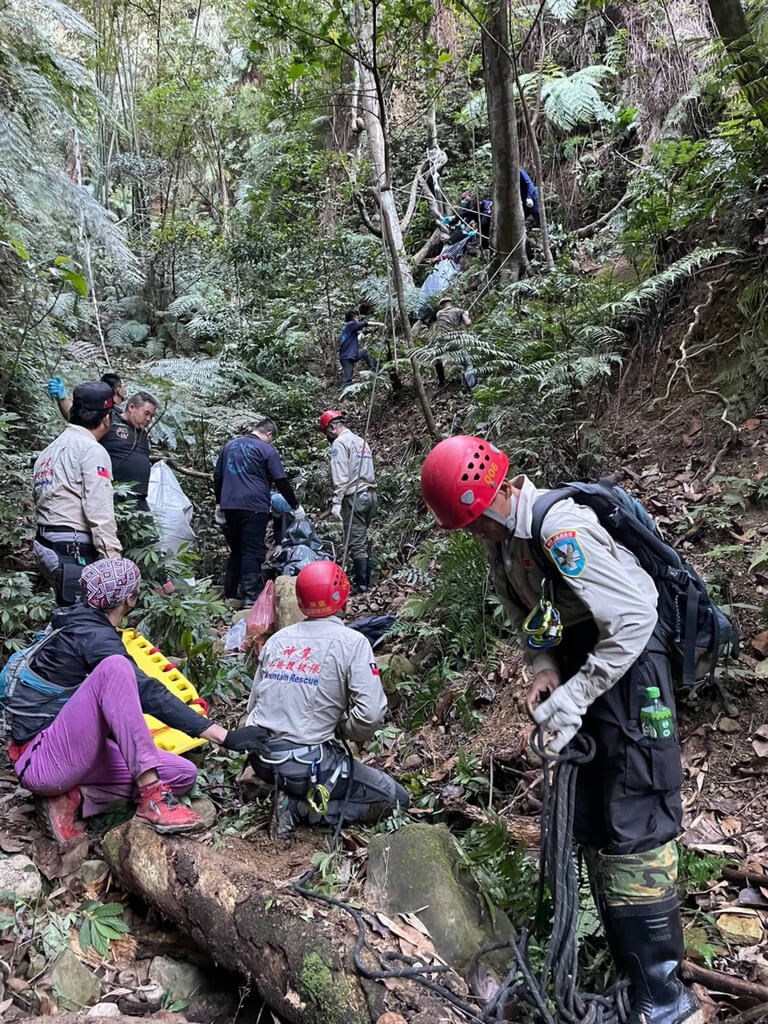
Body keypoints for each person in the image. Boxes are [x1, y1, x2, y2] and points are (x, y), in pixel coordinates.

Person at [420, 435, 702, 1024]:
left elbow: (631, 616)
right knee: (595, 814)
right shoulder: (503, 545)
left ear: (495, 496)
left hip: (630, 668)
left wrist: (574, 696)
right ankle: (629, 975)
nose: (473, 536)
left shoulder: (559, 527)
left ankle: (664, 999)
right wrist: (545, 671)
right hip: (585, 666)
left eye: (474, 522)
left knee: (635, 818)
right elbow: (535, 619)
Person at [7, 557, 265, 844]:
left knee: (183, 774)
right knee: (115, 669)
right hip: (43, 759)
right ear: (130, 598)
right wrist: (222, 735)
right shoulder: (91, 635)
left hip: (69, 754)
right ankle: (152, 798)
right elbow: (147, 691)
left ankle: (73, 798)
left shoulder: (82, 622)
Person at [245, 560, 410, 838]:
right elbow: (371, 714)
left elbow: (254, 706)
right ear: (343, 598)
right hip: (307, 765)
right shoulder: (353, 642)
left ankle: (288, 792)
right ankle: (298, 808)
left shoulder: (277, 640)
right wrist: (344, 728)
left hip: (261, 759)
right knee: (396, 799)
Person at [33, 381, 122, 605]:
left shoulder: (50, 450)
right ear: (106, 419)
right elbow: (99, 509)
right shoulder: (92, 450)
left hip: (45, 543)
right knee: (82, 620)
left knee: (68, 613)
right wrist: (113, 561)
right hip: (72, 549)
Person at [214, 417, 305, 605]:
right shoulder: (267, 449)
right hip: (254, 506)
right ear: (269, 434)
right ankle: (250, 598)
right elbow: (280, 480)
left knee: (237, 548)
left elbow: (218, 476)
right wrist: (295, 505)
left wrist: (219, 504)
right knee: (252, 550)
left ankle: (230, 593)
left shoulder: (229, 446)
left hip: (230, 505)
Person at [318, 411, 377, 594]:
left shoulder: (339, 443)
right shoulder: (361, 441)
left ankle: (362, 585)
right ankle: (366, 575)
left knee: (356, 542)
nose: (327, 437)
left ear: (332, 427)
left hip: (355, 497)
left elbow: (341, 475)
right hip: (371, 495)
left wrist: (337, 501)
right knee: (361, 536)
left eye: (326, 432)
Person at [432, 296, 476, 390]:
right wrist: (466, 315)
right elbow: (468, 323)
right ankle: (472, 387)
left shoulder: (438, 313)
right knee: (468, 364)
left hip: (442, 341)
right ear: (450, 303)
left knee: (437, 359)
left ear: (442, 305)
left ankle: (441, 382)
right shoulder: (459, 311)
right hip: (455, 340)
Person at [47, 372, 127, 421]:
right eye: (123, 386)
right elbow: (73, 416)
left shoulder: (118, 412)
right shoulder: (97, 411)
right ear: (118, 390)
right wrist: (62, 398)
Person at [338, 311, 383, 386]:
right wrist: (380, 324)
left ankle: (376, 369)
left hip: (349, 355)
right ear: (353, 318)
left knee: (364, 352)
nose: (357, 319)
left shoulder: (346, 329)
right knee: (347, 380)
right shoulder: (351, 325)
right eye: (356, 317)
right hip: (347, 357)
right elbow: (365, 323)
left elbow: (350, 341)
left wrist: (360, 336)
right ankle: (376, 369)